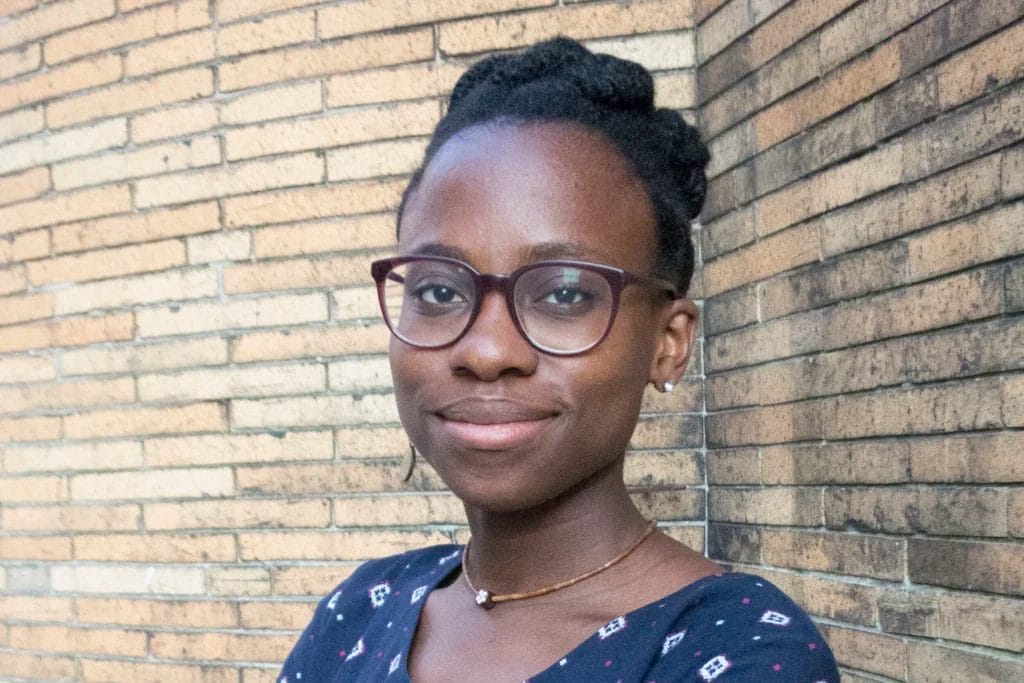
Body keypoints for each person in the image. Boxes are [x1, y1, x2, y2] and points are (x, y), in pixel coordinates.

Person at [278, 37, 839, 682]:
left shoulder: (734, 652)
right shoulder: (361, 610)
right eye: (438, 290)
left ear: (668, 343)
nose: (486, 350)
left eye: (564, 293)